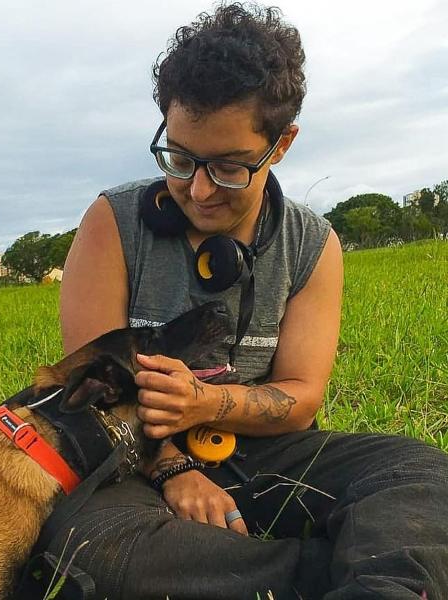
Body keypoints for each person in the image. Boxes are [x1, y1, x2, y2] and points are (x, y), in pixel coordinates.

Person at [49, 3, 448, 598]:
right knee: (89, 542)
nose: (199, 190)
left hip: (263, 458)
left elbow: (301, 399)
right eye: (180, 160)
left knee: (422, 475)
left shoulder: (313, 244)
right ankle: (326, 572)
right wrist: (174, 468)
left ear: (280, 144)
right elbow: (90, 396)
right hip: (131, 463)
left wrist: (202, 402)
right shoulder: (114, 222)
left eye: (229, 167)